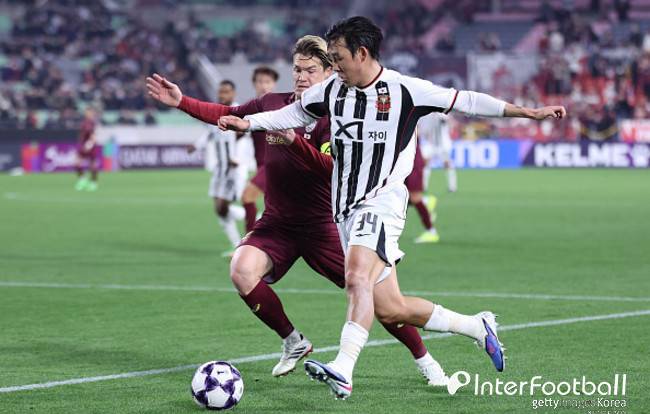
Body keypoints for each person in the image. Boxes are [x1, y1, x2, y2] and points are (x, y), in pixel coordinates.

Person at [218, 16, 566, 400]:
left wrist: (528, 113)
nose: (334, 66)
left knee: (356, 277)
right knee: (391, 308)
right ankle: (476, 326)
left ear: (361, 53)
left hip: (382, 202)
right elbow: (292, 115)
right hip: (345, 209)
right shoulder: (333, 91)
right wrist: (248, 124)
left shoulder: (406, 90)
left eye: (338, 57)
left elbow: (466, 100)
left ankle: (343, 368)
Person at [146, 36, 449, 387]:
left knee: (383, 303)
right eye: (297, 69)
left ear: (330, 73)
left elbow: (335, 169)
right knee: (242, 270)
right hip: (278, 223)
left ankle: (426, 361)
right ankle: (293, 341)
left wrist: (294, 142)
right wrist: (181, 101)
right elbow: (230, 115)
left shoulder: (339, 115)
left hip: (325, 226)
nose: (302, 76)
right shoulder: (273, 105)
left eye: (311, 70)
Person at [187, 80, 249, 256]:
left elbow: (244, 137)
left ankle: (255, 217)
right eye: (220, 92)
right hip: (220, 168)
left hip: (234, 169)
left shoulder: (239, 113)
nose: (222, 95)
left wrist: (237, 158)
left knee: (223, 207)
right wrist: (196, 146)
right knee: (219, 209)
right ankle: (236, 245)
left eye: (226, 92)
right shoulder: (215, 112)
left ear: (233, 93)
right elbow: (209, 132)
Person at [241, 66, 279, 232]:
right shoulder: (250, 108)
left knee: (247, 196)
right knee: (275, 209)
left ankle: (249, 240)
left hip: (274, 165)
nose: (264, 86)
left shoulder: (281, 108)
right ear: (254, 84)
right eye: (260, 82)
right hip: (261, 164)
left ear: (274, 84)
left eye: (267, 82)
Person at [404, 135, 440, 243]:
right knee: (402, 197)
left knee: (414, 198)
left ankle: (431, 231)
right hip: (404, 162)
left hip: (412, 163)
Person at [74, 108, 101, 192]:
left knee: (92, 164)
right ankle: (82, 180)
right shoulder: (85, 122)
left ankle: (93, 183)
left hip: (89, 146)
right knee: (77, 163)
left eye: (90, 113)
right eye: (87, 112)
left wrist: (89, 145)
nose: (88, 114)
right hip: (83, 146)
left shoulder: (91, 123)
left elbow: (93, 136)